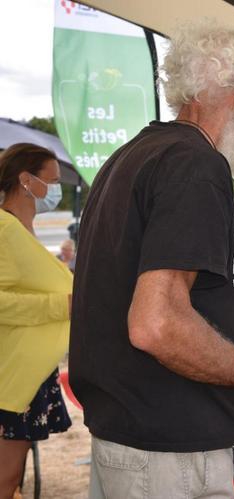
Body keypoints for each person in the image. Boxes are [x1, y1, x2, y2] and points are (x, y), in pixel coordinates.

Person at [69, 21, 234, 498]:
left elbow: (134, 275)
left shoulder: (132, 156)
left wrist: (233, 263)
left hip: (129, 439)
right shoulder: (196, 165)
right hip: (167, 453)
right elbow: (155, 322)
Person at [0, 143, 72, 498]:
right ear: (26, 180)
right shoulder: (3, 228)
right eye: (52, 181)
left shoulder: (22, 231)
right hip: (10, 380)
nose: (55, 190)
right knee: (5, 477)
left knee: (12, 479)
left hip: (28, 378)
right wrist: (62, 306)